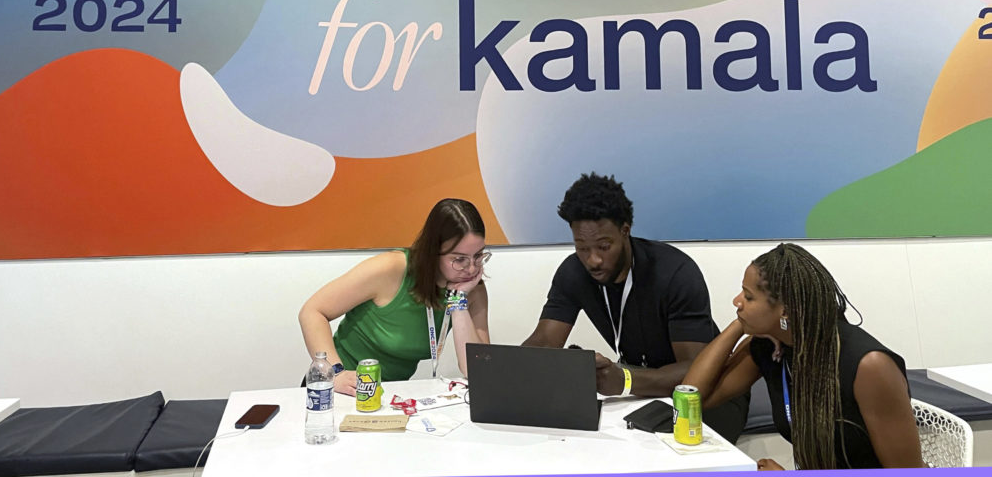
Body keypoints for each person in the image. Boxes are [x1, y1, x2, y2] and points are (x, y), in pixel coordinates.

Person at [522, 172, 749, 443]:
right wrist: (514, 369)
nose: (593, 260)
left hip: (707, 398)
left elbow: (695, 372)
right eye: (582, 247)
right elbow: (546, 340)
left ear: (625, 230)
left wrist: (625, 379)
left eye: (604, 246)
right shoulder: (573, 273)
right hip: (643, 393)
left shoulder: (674, 272)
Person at [683, 243, 924, 470]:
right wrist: (738, 326)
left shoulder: (869, 366)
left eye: (748, 297)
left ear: (785, 310)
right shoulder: (770, 347)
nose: (737, 301)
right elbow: (691, 400)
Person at [298, 198, 490, 395]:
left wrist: (458, 303)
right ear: (433, 252)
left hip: (388, 393)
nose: (472, 268)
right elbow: (312, 311)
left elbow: (479, 372)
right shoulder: (392, 269)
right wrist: (334, 373)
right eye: (459, 259)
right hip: (340, 387)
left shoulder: (471, 291)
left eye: (478, 256)